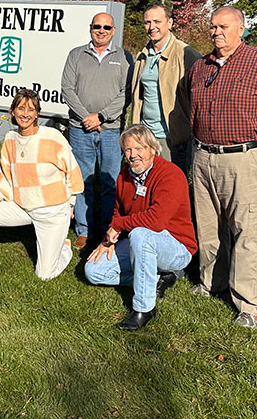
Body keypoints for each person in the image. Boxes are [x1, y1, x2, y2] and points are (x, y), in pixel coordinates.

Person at [188, 5, 257, 328]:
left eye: (223, 26)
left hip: (244, 157)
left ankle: (249, 304)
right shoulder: (201, 67)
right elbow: (186, 103)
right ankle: (211, 282)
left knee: (248, 230)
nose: (216, 32)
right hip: (204, 155)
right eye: (213, 27)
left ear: (241, 29)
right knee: (208, 226)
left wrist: (256, 140)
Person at [84, 124, 197, 330]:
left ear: (153, 149)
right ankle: (157, 278)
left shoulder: (170, 175)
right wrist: (108, 240)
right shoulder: (124, 175)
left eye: (139, 148)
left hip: (176, 247)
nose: (133, 155)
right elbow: (119, 212)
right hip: (142, 242)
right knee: (93, 271)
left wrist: (117, 226)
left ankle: (143, 309)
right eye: (128, 149)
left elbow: (156, 221)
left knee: (139, 234)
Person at [0, 89, 82, 281]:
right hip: (22, 206)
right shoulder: (10, 140)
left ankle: (63, 247)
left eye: (31, 109)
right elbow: (4, 178)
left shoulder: (52, 137)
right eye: (21, 108)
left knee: (44, 275)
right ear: (12, 111)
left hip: (52, 211)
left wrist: (71, 203)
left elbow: (72, 171)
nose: (25, 114)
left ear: (37, 113)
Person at [60, 12, 133, 248]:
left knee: (111, 182)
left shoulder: (124, 57)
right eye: (97, 26)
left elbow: (127, 93)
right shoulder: (76, 55)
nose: (101, 30)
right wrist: (86, 117)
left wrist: (101, 116)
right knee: (82, 181)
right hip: (80, 129)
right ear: (90, 28)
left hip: (111, 130)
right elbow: (67, 89)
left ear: (113, 31)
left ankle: (107, 229)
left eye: (106, 27)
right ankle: (83, 229)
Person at [130, 4, 202, 174]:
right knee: (145, 187)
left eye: (157, 21)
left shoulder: (185, 54)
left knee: (171, 189)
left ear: (170, 23)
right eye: (147, 22)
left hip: (173, 139)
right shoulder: (143, 55)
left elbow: (200, 98)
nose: (151, 27)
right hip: (146, 136)